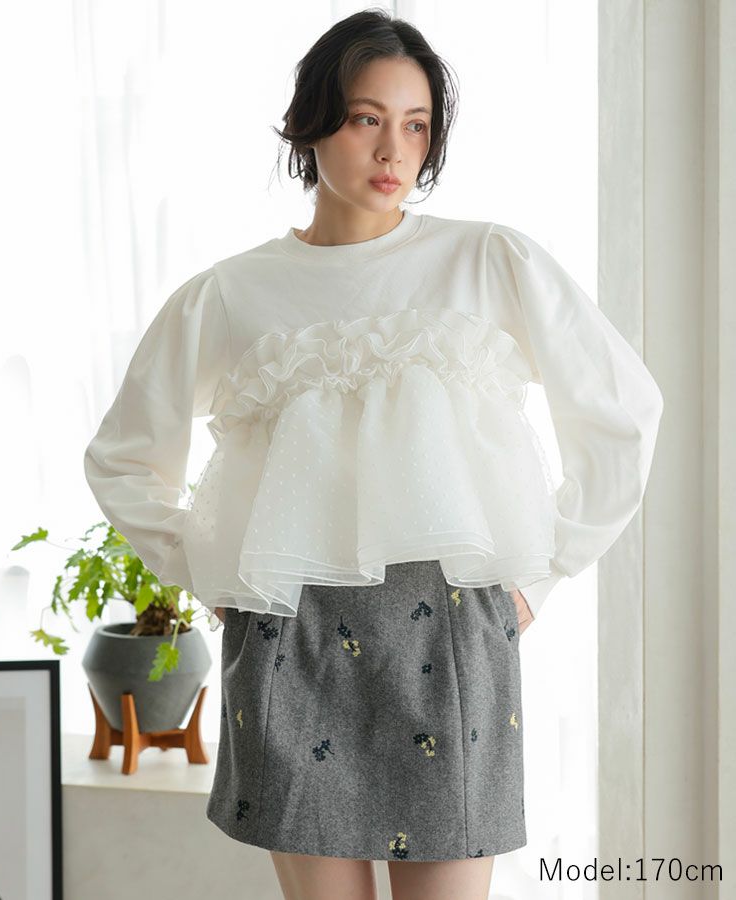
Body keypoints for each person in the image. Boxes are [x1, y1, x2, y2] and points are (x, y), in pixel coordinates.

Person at [83, 9, 664, 900]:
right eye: (366, 118)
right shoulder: (230, 295)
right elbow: (124, 458)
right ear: (311, 121)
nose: (395, 150)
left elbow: (622, 411)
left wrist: (540, 579)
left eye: (417, 125)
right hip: (291, 633)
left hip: (454, 632)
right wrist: (216, 578)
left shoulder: (486, 259)